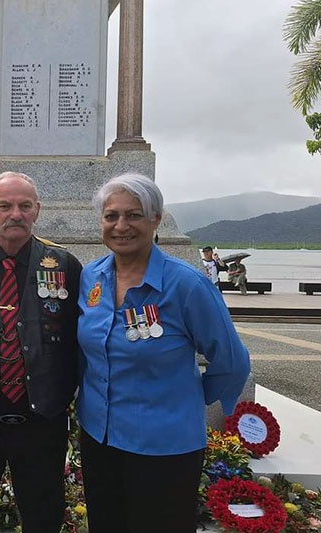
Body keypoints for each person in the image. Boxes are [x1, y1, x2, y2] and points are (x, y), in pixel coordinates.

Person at [77, 173, 250, 533]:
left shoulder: (186, 284)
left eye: (134, 215)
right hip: (100, 437)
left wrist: (190, 398)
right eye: (111, 216)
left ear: (156, 219)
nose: (121, 226)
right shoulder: (92, 277)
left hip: (164, 445)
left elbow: (231, 362)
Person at [0, 172, 82, 533]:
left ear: (37, 211)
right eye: (5, 206)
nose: (15, 214)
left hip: (41, 421)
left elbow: (78, 341)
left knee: (43, 515)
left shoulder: (65, 266)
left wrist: (63, 396)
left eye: (24, 206)